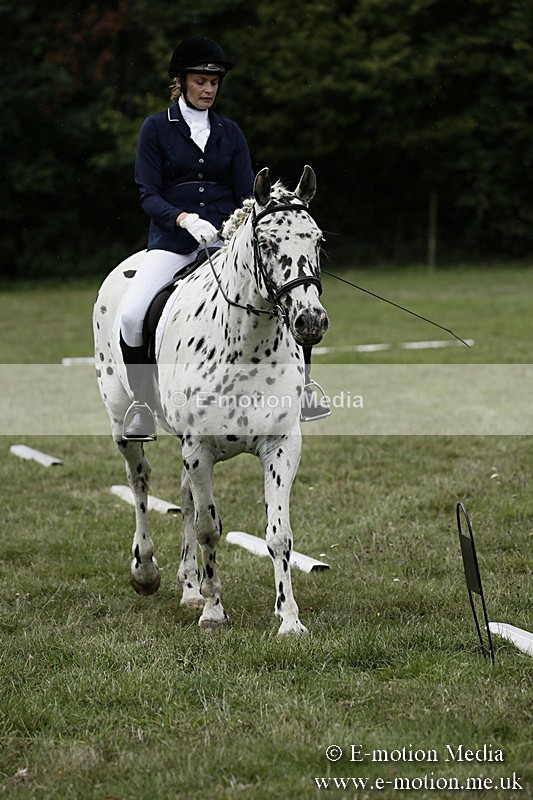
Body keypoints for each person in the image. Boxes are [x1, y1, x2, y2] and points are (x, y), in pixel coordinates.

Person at [119, 36, 255, 440]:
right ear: (181, 81)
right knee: (130, 314)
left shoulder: (230, 133)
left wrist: (237, 225)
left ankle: (303, 389)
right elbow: (148, 194)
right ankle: (142, 405)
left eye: (214, 82)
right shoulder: (156, 129)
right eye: (200, 81)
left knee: (283, 294)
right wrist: (183, 219)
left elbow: (247, 191)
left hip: (226, 242)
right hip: (173, 242)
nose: (209, 89)